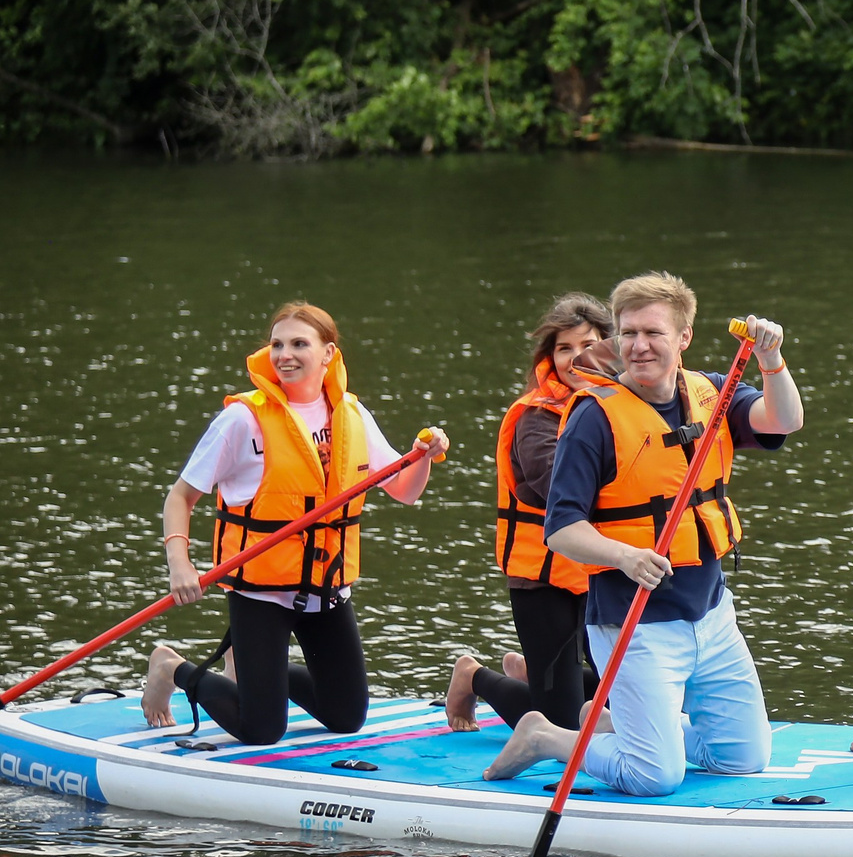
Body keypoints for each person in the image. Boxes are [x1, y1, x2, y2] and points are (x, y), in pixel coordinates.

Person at [480, 272, 799, 796]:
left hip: (711, 614)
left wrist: (771, 361)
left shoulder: (712, 392)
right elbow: (562, 530)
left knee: (744, 758)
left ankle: (630, 729)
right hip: (635, 622)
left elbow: (782, 420)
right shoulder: (593, 417)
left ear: (684, 337)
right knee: (655, 778)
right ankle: (549, 736)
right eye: (628, 333)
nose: (639, 346)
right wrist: (625, 556)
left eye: (653, 333)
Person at [141, 303, 450, 744]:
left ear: (327, 354)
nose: (284, 354)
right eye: (277, 344)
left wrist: (423, 457)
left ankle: (250, 669)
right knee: (261, 729)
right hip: (261, 591)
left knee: (346, 716)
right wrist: (179, 562)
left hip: (325, 587)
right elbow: (181, 496)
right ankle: (173, 668)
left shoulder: (352, 416)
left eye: (299, 344)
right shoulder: (242, 419)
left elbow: (406, 490)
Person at [445, 292, 617, 733]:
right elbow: (553, 486)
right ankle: (476, 677)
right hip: (543, 577)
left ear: (609, 348)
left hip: (602, 571)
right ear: (549, 356)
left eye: (587, 345)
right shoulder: (535, 418)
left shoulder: (625, 408)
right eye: (564, 349)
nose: (576, 358)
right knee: (562, 721)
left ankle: (536, 676)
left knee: (625, 693)